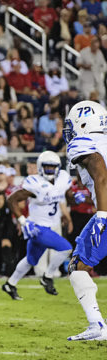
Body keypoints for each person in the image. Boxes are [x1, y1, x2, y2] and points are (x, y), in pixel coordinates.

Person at [62, 101, 107, 340]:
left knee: (77, 264)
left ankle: (97, 325)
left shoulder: (83, 142)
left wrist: (101, 215)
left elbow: (100, 171)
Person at [2, 152, 74, 300]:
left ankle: (10, 284)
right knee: (66, 248)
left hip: (49, 225)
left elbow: (67, 195)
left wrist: (75, 197)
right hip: (37, 228)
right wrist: (23, 221)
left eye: (52, 167)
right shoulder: (35, 183)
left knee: (31, 260)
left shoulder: (62, 179)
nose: (50, 170)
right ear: (41, 168)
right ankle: (47, 277)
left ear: (58, 168)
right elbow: (11, 200)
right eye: (47, 167)